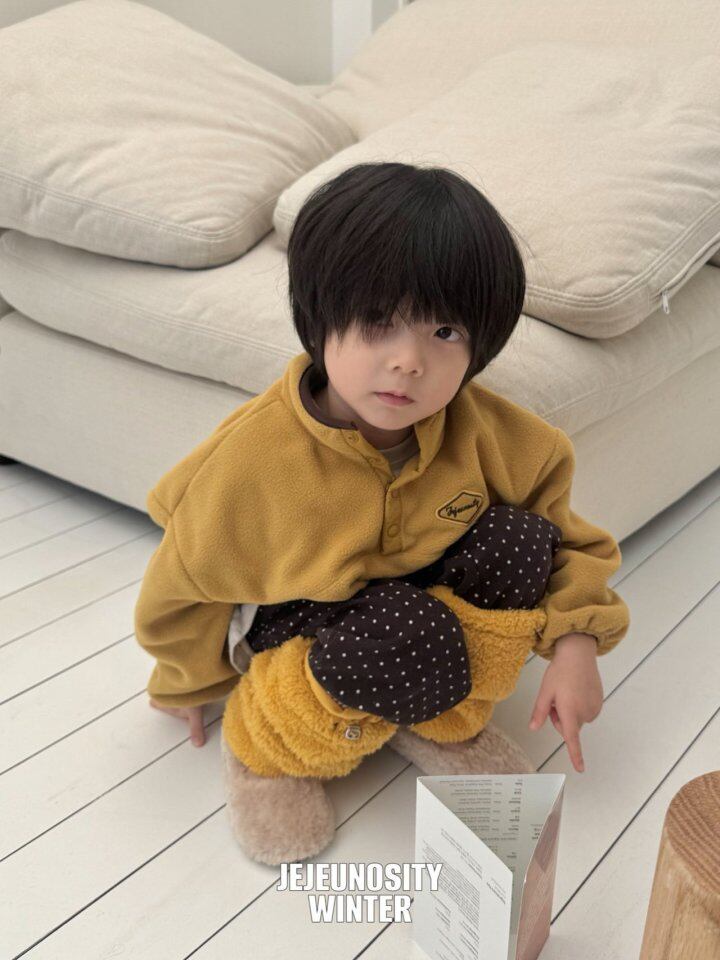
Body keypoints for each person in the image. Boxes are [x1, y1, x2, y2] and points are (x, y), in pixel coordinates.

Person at [135, 161, 629, 812]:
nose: (408, 362)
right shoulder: (247, 463)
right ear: (320, 318)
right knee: (408, 627)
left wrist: (575, 642)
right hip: (297, 620)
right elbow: (181, 584)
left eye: (444, 332)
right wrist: (186, 682)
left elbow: (571, 546)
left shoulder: (504, 438)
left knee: (521, 539)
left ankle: (441, 718)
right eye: (376, 321)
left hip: (412, 605)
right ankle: (270, 747)